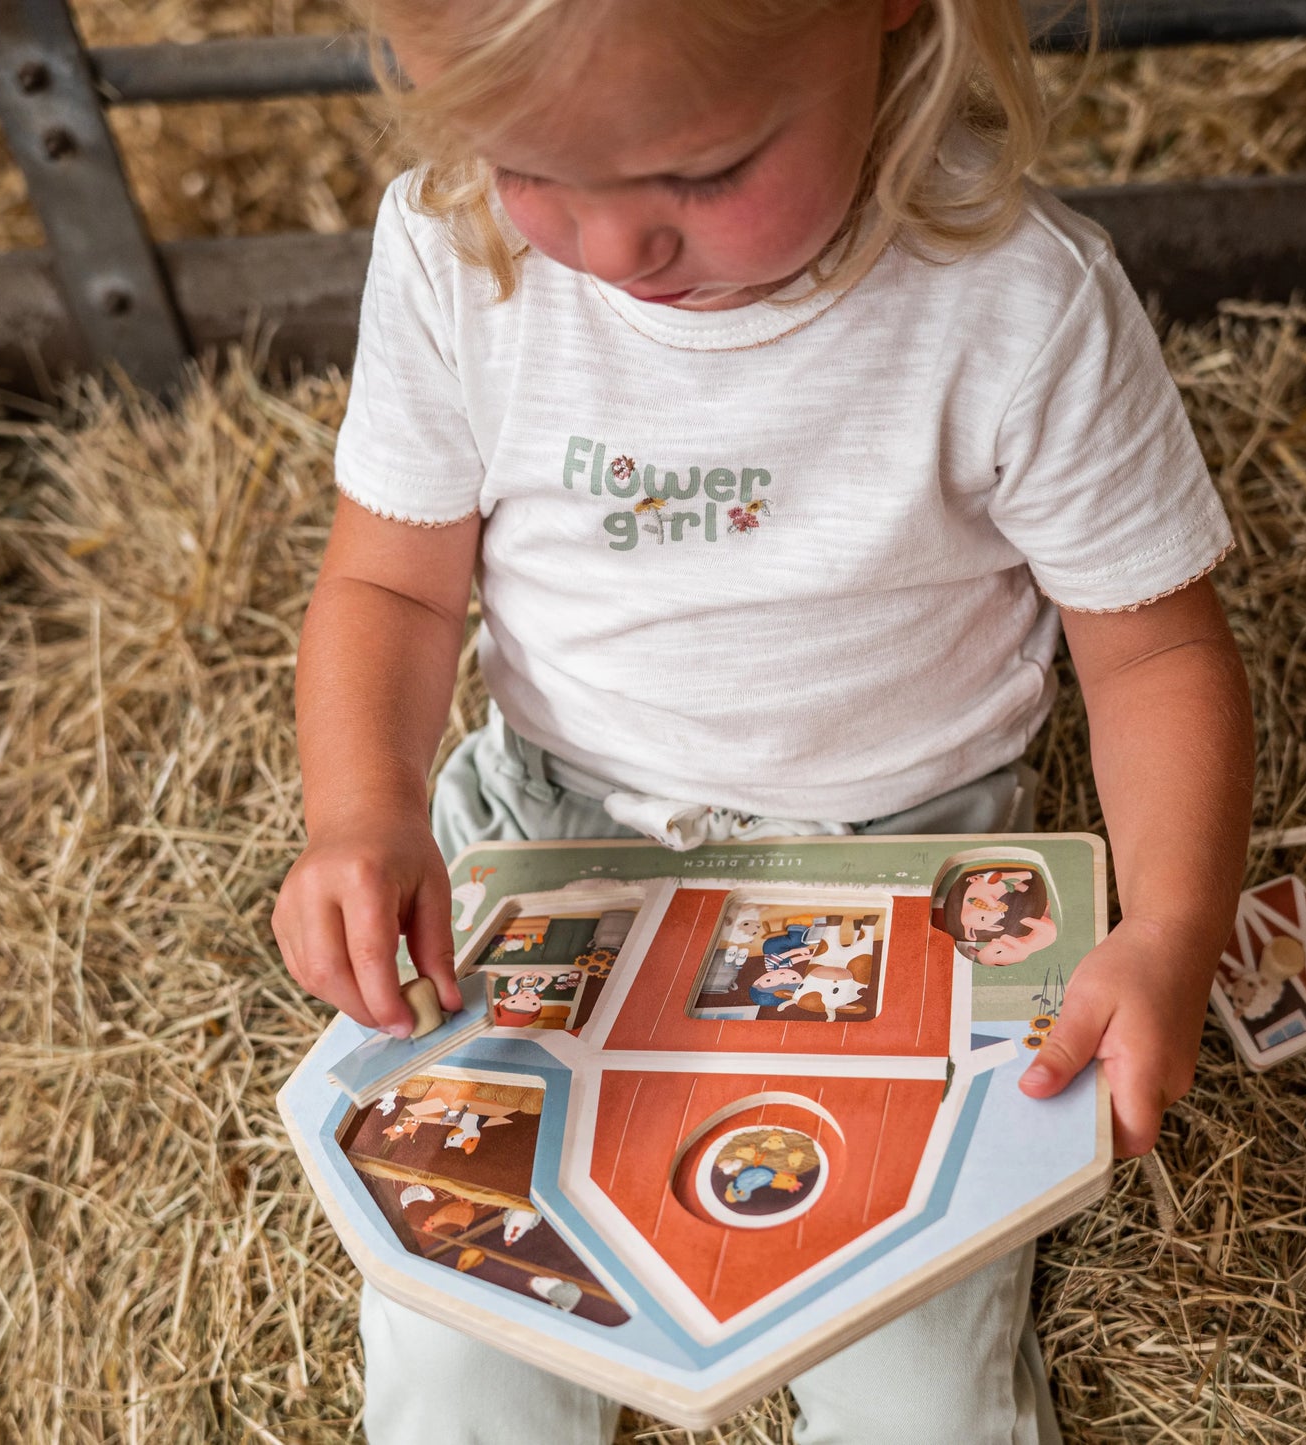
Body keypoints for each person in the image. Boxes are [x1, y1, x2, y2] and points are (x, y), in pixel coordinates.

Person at [270, 0, 1254, 1440]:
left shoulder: (1018, 301)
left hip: (914, 884)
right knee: (457, 1360)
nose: (613, 248)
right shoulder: (451, 248)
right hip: (561, 842)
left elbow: (1155, 650)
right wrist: (362, 809)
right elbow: (390, 588)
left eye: (703, 173)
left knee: (920, 1396)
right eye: (528, 166)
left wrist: (1170, 920)